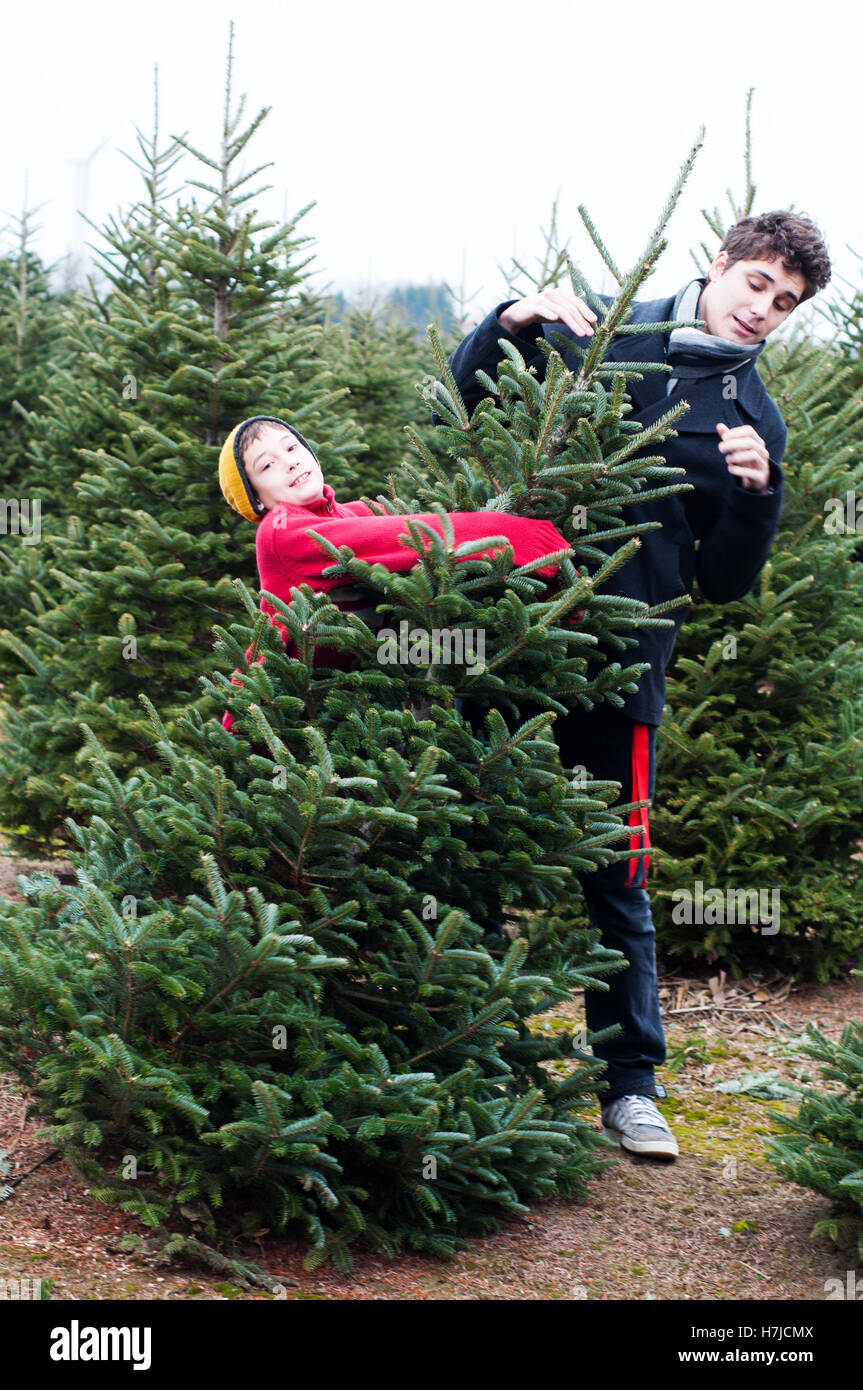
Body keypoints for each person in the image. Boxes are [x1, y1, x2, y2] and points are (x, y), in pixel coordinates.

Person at [444, 211, 832, 1158]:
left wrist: (757, 493)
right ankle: (466, 1053)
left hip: (624, 674)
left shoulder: (755, 418)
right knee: (474, 854)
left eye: (784, 305)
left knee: (614, 881)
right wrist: (511, 316)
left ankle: (629, 1087)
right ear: (721, 265)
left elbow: (727, 581)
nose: (763, 312)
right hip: (513, 647)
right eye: (756, 286)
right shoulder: (604, 335)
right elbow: (471, 392)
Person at [216, 414, 569, 729]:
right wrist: (518, 535)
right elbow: (413, 535)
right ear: (256, 498)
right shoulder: (282, 531)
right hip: (275, 718)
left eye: (292, 448)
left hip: (356, 706)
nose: (290, 463)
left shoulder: (351, 514)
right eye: (267, 466)